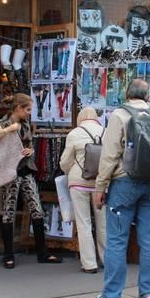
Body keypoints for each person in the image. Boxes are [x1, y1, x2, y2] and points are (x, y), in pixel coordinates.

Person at [93, 79, 150, 298]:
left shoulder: (119, 116)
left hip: (124, 183)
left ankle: (111, 297)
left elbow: (109, 156)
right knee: (149, 238)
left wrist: (100, 187)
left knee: (117, 240)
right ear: (148, 97)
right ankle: (148, 294)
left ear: (127, 95)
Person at [0, 93, 62, 268]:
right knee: (9, 211)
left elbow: (27, 144)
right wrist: (8, 129)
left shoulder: (25, 123)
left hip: (26, 170)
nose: (30, 113)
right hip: (11, 172)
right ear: (19, 108)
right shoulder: (6, 121)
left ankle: (42, 252)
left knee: (37, 209)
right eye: (27, 109)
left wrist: (31, 150)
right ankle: (8, 255)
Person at [59, 107, 106, 273]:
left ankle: (89, 264)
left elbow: (64, 162)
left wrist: (69, 170)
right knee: (103, 223)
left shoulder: (74, 134)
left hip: (79, 182)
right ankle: (106, 259)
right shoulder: (105, 131)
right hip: (100, 183)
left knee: (83, 222)